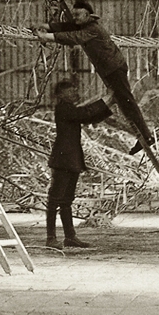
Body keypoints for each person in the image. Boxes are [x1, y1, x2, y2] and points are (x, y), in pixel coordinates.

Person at [33, 0, 155, 155]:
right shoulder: (84, 25)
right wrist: (47, 26)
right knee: (123, 102)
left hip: (114, 69)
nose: (75, 18)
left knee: (127, 102)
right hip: (109, 70)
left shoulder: (93, 29)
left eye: (77, 15)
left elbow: (73, 36)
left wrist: (46, 36)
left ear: (86, 14)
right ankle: (143, 135)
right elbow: (68, 27)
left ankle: (146, 136)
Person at [45, 80, 113, 250]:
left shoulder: (69, 109)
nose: (74, 93)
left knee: (66, 200)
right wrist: (107, 100)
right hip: (64, 160)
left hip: (70, 160)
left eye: (74, 90)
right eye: (70, 91)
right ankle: (51, 238)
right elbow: (85, 113)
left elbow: (89, 117)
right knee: (55, 200)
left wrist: (109, 104)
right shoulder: (63, 108)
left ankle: (70, 237)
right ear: (60, 95)